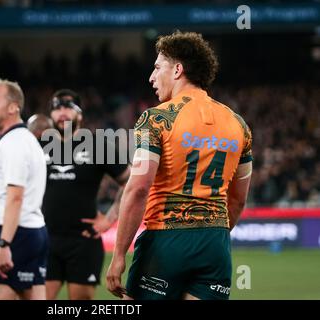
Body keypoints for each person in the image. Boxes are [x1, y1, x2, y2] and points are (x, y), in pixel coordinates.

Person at [106, 31, 253, 300]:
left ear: (177, 70)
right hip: (216, 246)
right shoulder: (239, 125)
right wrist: (209, 233)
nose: (151, 77)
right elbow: (238, 201)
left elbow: (138, 188)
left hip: (165, 242)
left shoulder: (155, 120)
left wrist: (118, 255)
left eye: (157, 67)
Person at [42, 89, 131, 300]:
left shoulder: (96, 145)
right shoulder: (39, 146)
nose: (62, 112)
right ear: (50, 115)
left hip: (84, 241)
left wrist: (109, 219)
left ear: (79, 115)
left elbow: (129, 180)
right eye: (56, 108)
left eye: (68, 107)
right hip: (45, 239)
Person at [0, 79, 48, 300]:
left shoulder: (14, 143)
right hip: (34, 232)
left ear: (13, 107)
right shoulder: (26, 140)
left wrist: (3, 243)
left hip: (15, 235)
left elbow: (15, 197)